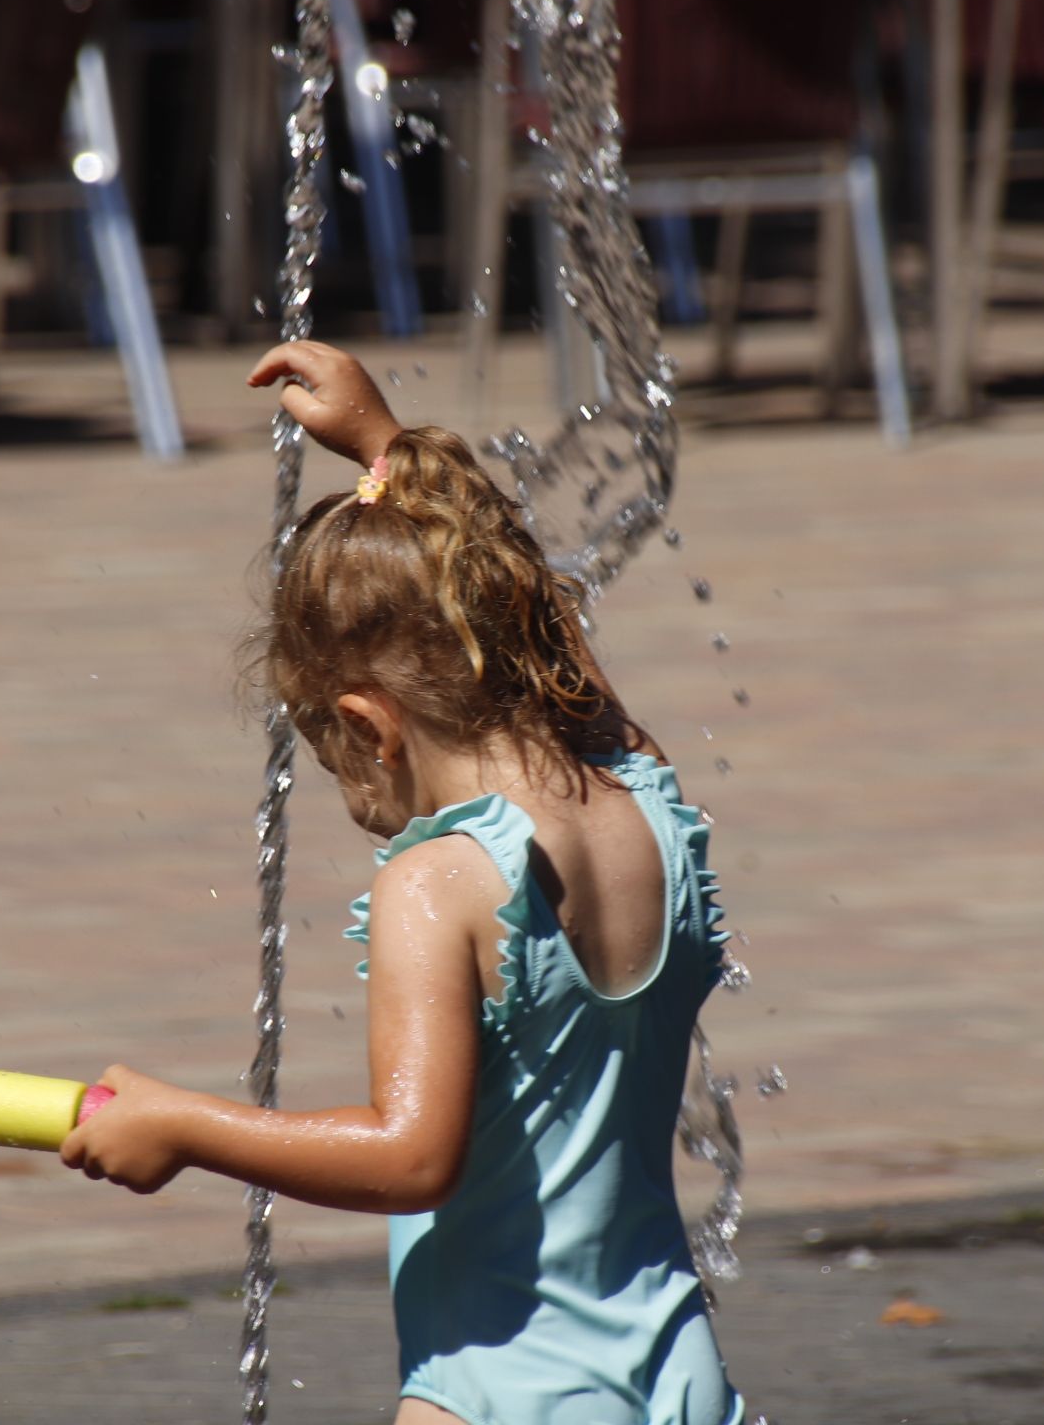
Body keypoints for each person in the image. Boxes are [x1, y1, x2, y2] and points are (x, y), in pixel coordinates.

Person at [61, 340, 743, 1425]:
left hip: (497, 1386)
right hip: (678, 1375)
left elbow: (410, 1154)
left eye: (329, 757)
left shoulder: (441, 879)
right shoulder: (645, 800)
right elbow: (544, 630)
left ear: (370, 726)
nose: (350, 793)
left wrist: (182, 1126)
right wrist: (391, 451)